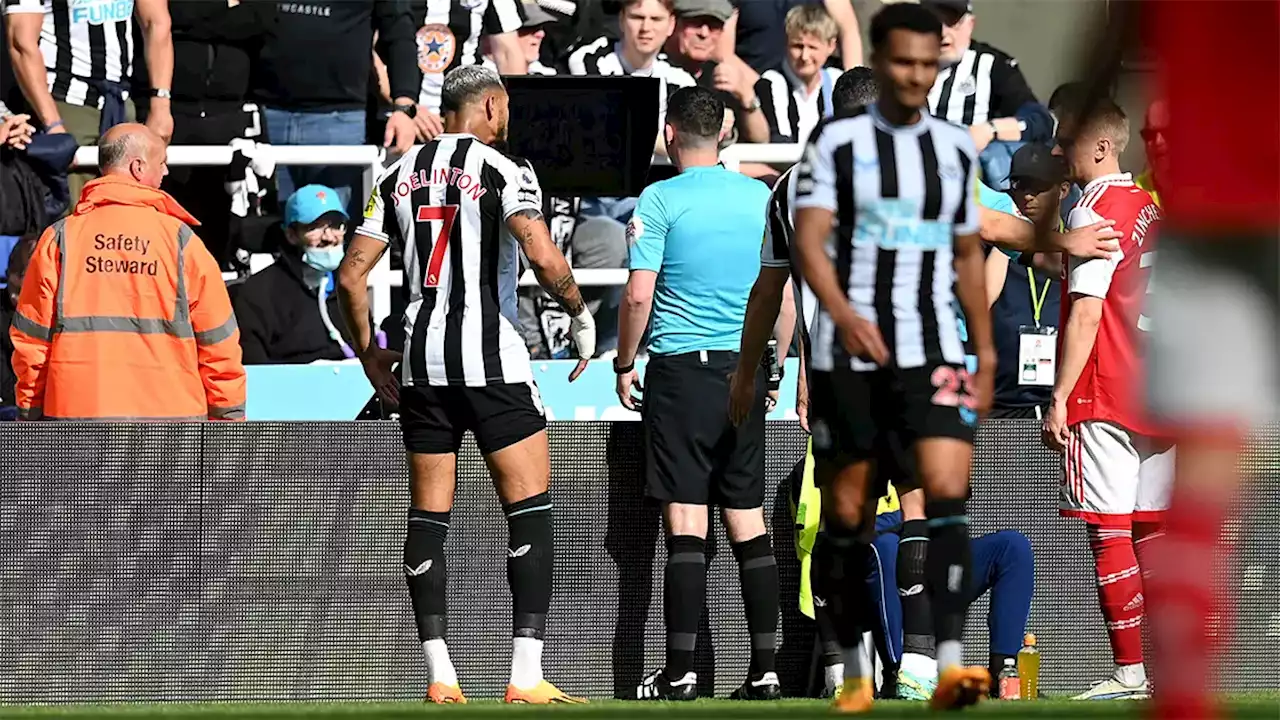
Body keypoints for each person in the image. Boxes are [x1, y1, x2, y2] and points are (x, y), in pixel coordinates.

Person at [337, 65, 594, 705]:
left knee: (429, 515)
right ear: (487, 105)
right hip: (492, 363)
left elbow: (350, 277)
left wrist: (372, 358)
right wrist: (581, 314)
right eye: (503, 106)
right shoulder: (506, 169)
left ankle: (440, 674)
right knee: (529, 509)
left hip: (422, 364)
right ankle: (525, 674)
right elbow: (539, 252)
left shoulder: (395, 174)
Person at [785, 4, 993, 711]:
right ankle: (916, 664)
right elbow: (985, 230)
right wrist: (1058, 241)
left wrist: (772, 368)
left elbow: (774, 290)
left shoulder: (790, 187)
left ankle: (852, 669)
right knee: (916, 510)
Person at [612, 85, 782, 702]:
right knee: (747, 520)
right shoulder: (760, 197)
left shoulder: (659, 199)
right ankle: (766, 669)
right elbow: (782, 296)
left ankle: (681, 671)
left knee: (686, 522)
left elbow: (637, 293)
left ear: (668, 134)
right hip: (744, 367)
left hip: (683, 369)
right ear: (727, 133)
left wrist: (625, 361)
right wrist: (775, 366)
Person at [1042, 98, 1167, 701]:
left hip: (1105, 388)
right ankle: (1170, 674)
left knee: (1110, 532)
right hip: (1159, 391)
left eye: (1066, 140)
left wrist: (1060, 393)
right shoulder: (1148, 206)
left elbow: (1089, 309)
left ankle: (1130, 673)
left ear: (1101, 146)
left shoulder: (1093, 206)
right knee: (1154, 534)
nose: (1058, 150)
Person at [9, 123, 246, 422]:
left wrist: (30, 417)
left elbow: (31, 346)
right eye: (162, 163)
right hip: (171, 434)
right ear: (138, 167)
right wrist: (229, 422)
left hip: (75, 430)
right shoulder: (182, 243)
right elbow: (219, 345)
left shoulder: (59, 240)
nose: (166, 173)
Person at [811, 483, 1034, 701]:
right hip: (869, 572)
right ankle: (901, 672)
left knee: (1013, 547)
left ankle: (1003, 672)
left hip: (931, 554)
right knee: (886, 546)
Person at [6, 0, 175, 202]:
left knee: (129, 205)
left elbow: (156, 22)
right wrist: (53, 125)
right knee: (74, 212)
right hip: (66, 102)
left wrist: (161, 104)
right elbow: (21, 43)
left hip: (120, 101)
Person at [918, 0, 1053, 187]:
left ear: (969, 24)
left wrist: (989, 130)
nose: (942, 32)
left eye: (952, 21)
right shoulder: (899, 62)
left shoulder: (991, 65)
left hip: (973, 178)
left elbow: (1039, 120)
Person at [232, 185, 357, 365]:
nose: (329, 237)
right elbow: (254, 372)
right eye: (315, 227)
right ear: (291, 235)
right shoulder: (258, 294)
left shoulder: (350, 286)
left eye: (337, 225)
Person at [989, 144, 1068, 419]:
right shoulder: (993, 249)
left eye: (1038, 186)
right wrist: (1003, 246)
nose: (1027, 196)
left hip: (1059, 414)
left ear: (1063, 190)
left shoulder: (1076, 250)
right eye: (1019, 185)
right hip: (1001, 411)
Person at [752, 4, 843, 145]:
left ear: (831, 46)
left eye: (813, 47)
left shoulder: (838, 81)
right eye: (798, 46)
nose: (805, 56)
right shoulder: (771, 82)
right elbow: (780, 141)